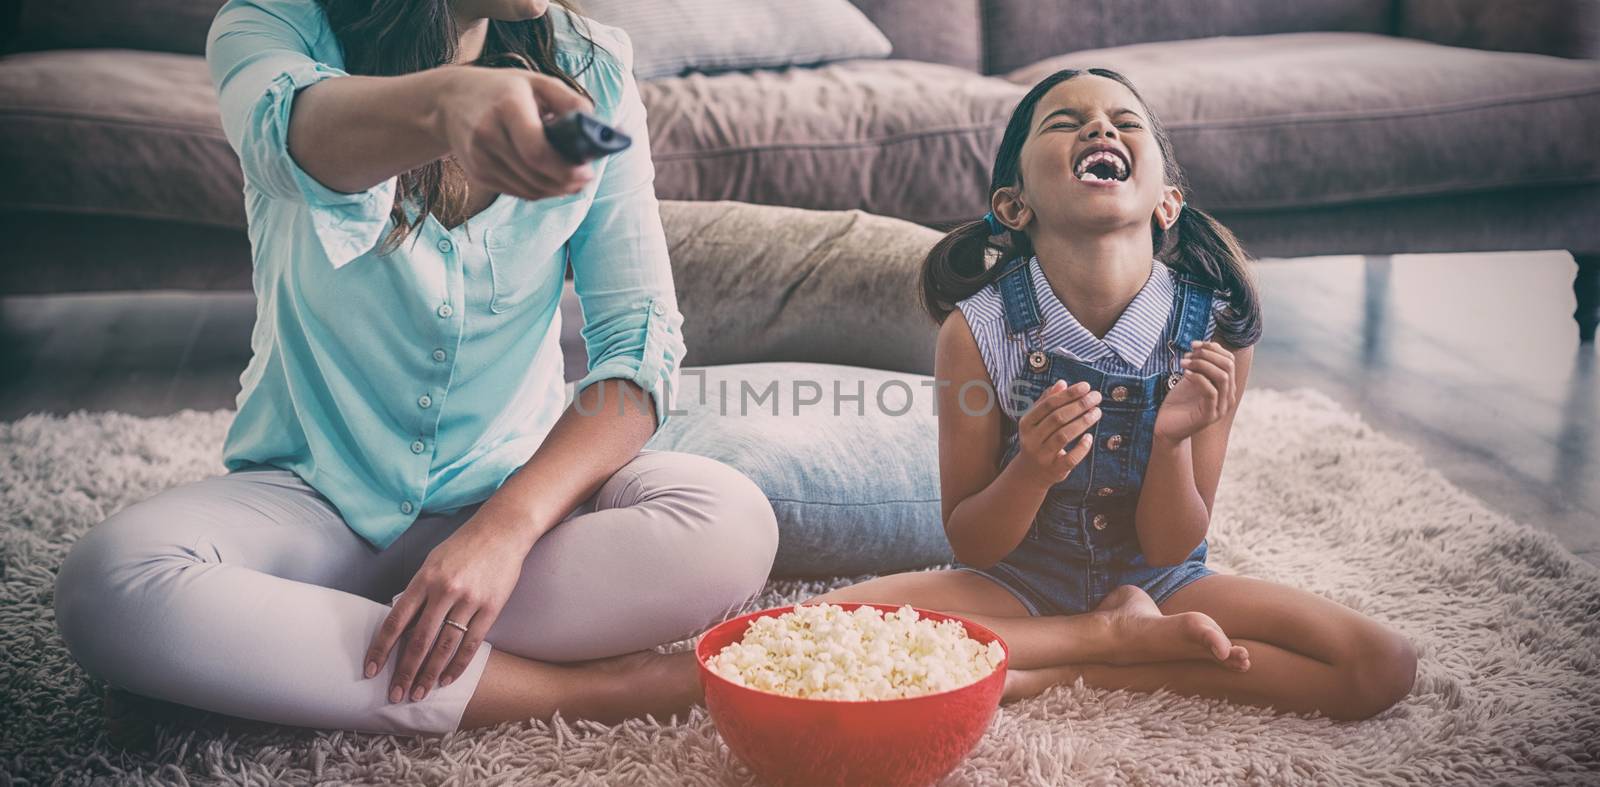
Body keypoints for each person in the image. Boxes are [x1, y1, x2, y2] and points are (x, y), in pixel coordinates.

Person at [53, 0, 777, 736]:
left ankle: (285, 652)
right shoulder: (270, 24)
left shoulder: (592, 65)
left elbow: (640, 347)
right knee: (109, 584)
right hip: (309, 502)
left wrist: (506, 528)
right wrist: (445, 103)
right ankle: (597, 691)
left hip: (508, 506)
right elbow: (285, 138)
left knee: (731, 521)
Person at [808, 68, 1417, 721]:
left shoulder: (1217, 332)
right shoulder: (976, 331)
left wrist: (1170, 442)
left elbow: (1170, 546)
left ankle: (1065, 666)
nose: (1099, 126)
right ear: (1015, 205)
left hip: (1162, 583)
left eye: (1125, 123)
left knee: (1381, 664)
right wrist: (1031, 470)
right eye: (1065, 122)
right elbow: (974, 542)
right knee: (818, 628)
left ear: (1168, 202)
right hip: (1016, 584)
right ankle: (1108, 643)